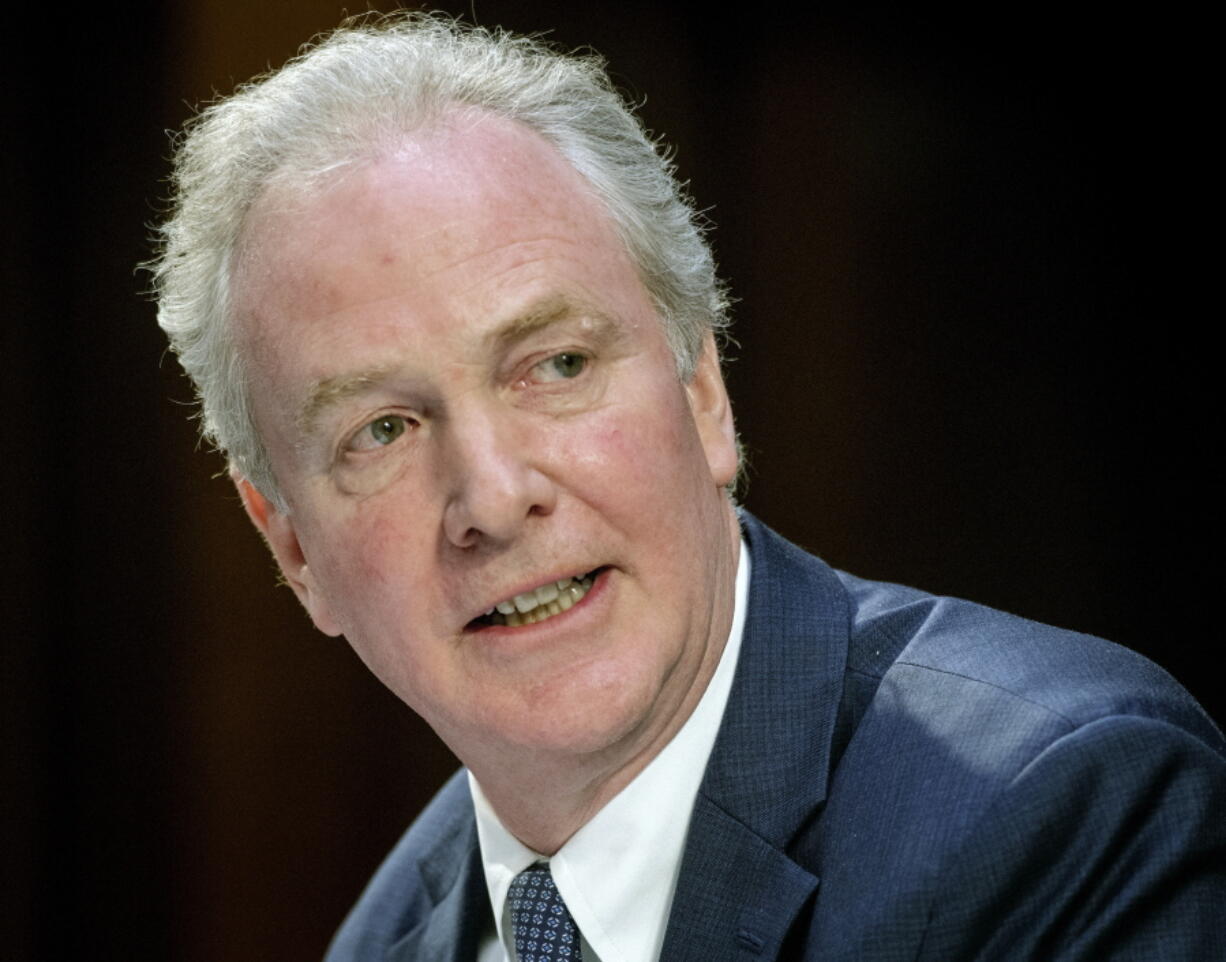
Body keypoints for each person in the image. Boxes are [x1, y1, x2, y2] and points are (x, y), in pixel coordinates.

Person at [147, 13, 1225, 961]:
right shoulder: (384, 941)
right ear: (291, 549)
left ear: (702, 391)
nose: (491, 495)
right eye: (381, 429)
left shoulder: (1057, 805)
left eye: (555, 365)